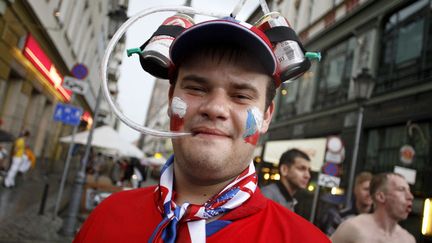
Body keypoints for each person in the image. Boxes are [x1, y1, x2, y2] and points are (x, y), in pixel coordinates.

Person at [74, 16, 329, 242]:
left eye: (241, 95)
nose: (216, 108)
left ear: (266, 116)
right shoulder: (107, 215)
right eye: (197, 88)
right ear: (171, 98)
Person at [331, 172, 415, 243]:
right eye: (401, 189)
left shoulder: (407, 240)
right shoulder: (353, 228)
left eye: (409, 191)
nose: (410, 197)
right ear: (381, 197)